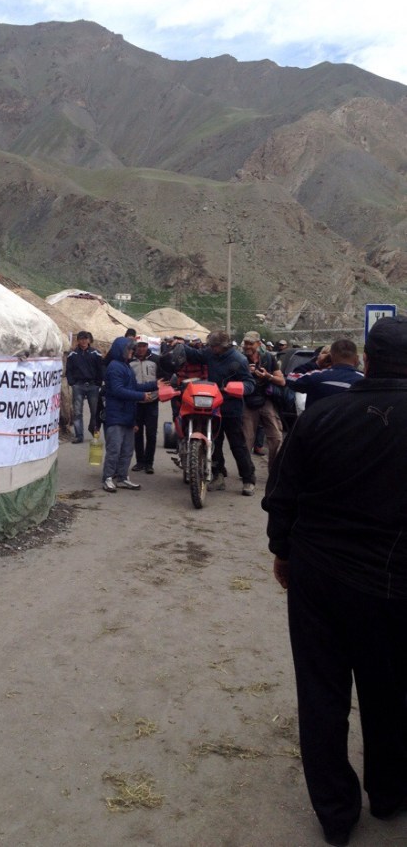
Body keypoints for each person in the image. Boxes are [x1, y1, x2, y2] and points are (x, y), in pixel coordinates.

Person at [262, 315, 407, 846]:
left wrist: (282, 552)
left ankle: (336, 814)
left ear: (366, 361)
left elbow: (282, 494)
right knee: (390, 692)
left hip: (318, 579)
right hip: (394, 587)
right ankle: (390, 794)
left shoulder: (322, 417)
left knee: (321, 694)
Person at [181, 330, 256, 495]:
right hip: (213, 407)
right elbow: (196, 355)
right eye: (210, 346)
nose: (211, 349)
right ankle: (218, 475)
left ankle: (248, 479)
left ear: (223, 346)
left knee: (238, 445)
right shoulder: (210, 354)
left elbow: (250, 383)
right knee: (215, 444)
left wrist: (238, 388)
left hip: (232, 409)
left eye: (213, 346)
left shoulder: (239, 360)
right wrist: (181, 347)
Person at [101, 337, 158, 493]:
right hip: (116, 415)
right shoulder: (114, 367)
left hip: (127, 415)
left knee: (127, 450)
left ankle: (122, 477)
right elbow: (118, 390)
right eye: (130, 349)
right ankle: (108, 478)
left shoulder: (125, 367)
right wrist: (142, 397)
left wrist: (155, 385)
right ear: (121, 350)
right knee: (114, 449)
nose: (132, 352)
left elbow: (135, 386)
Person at [240, 331, 286, 468]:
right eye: (245, 343)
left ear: (259, 344)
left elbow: (282, 381)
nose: (247, 346)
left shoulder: (269, 358)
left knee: (277, 437)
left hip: (266, 400)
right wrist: (245, 372)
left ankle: (274, 470)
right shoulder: (239, 359)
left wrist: (267, 376)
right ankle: (247, 473)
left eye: (250, 344)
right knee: (246, 440)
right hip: (247, 402)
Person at [286, 338, 363, 409]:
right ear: (357, 358)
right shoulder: (364, 380)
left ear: (330, 357)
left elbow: (291, 379)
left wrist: (316, 364)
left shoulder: (316, 377)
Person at [65, 330, 104, 443]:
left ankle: (93, 430)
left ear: (89, 340)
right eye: (81, 339)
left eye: (85, 338)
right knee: (77, 412)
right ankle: (79, 435)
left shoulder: (96, 353)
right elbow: (69, 370)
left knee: (95, 411)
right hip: (78, 385)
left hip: (93, 385)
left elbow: (100, 369)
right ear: (78, 340)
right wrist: (72, 383)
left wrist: (98, 382)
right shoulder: (73, 354)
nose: (83, 341)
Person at [129, 339, 159, 473]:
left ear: (147, 346)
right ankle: (139, 461)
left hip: (152, 401)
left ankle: (149, 463)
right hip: (136, 401)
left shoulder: (156, 360)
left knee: (151, 434)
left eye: (144, 346)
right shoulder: (130, 361)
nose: (141, 349)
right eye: (139, 346)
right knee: (137, 433)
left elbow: (162, 378)